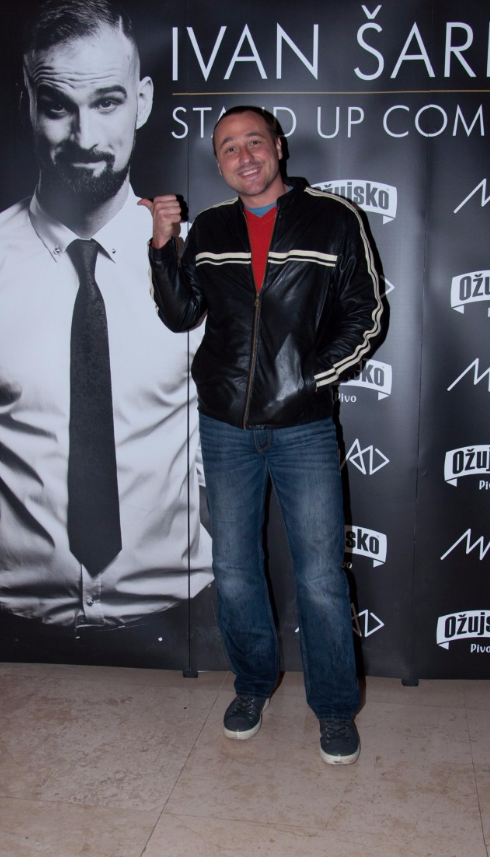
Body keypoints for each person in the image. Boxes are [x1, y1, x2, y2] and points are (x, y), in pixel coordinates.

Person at [0, 0, 216, 668]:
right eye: (58, 105)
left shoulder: (200, 264)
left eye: (107, 102)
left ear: (142, 101)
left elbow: (225, 454)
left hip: (182, 625)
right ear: (26, 104)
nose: (85, 137)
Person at [144, 106, 383, 763]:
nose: (243, 156)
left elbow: (364, 314)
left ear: (277, 147)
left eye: (254, 141)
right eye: (229, 147)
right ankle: (252, 686)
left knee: (321, 576)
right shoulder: (211, 227)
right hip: (224, 425)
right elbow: (180, 315)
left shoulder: (333, 219)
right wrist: (163, 246)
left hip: (304, 427)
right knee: (233, 568)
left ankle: (333, 708)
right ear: (218, 162)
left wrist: (307, 380)